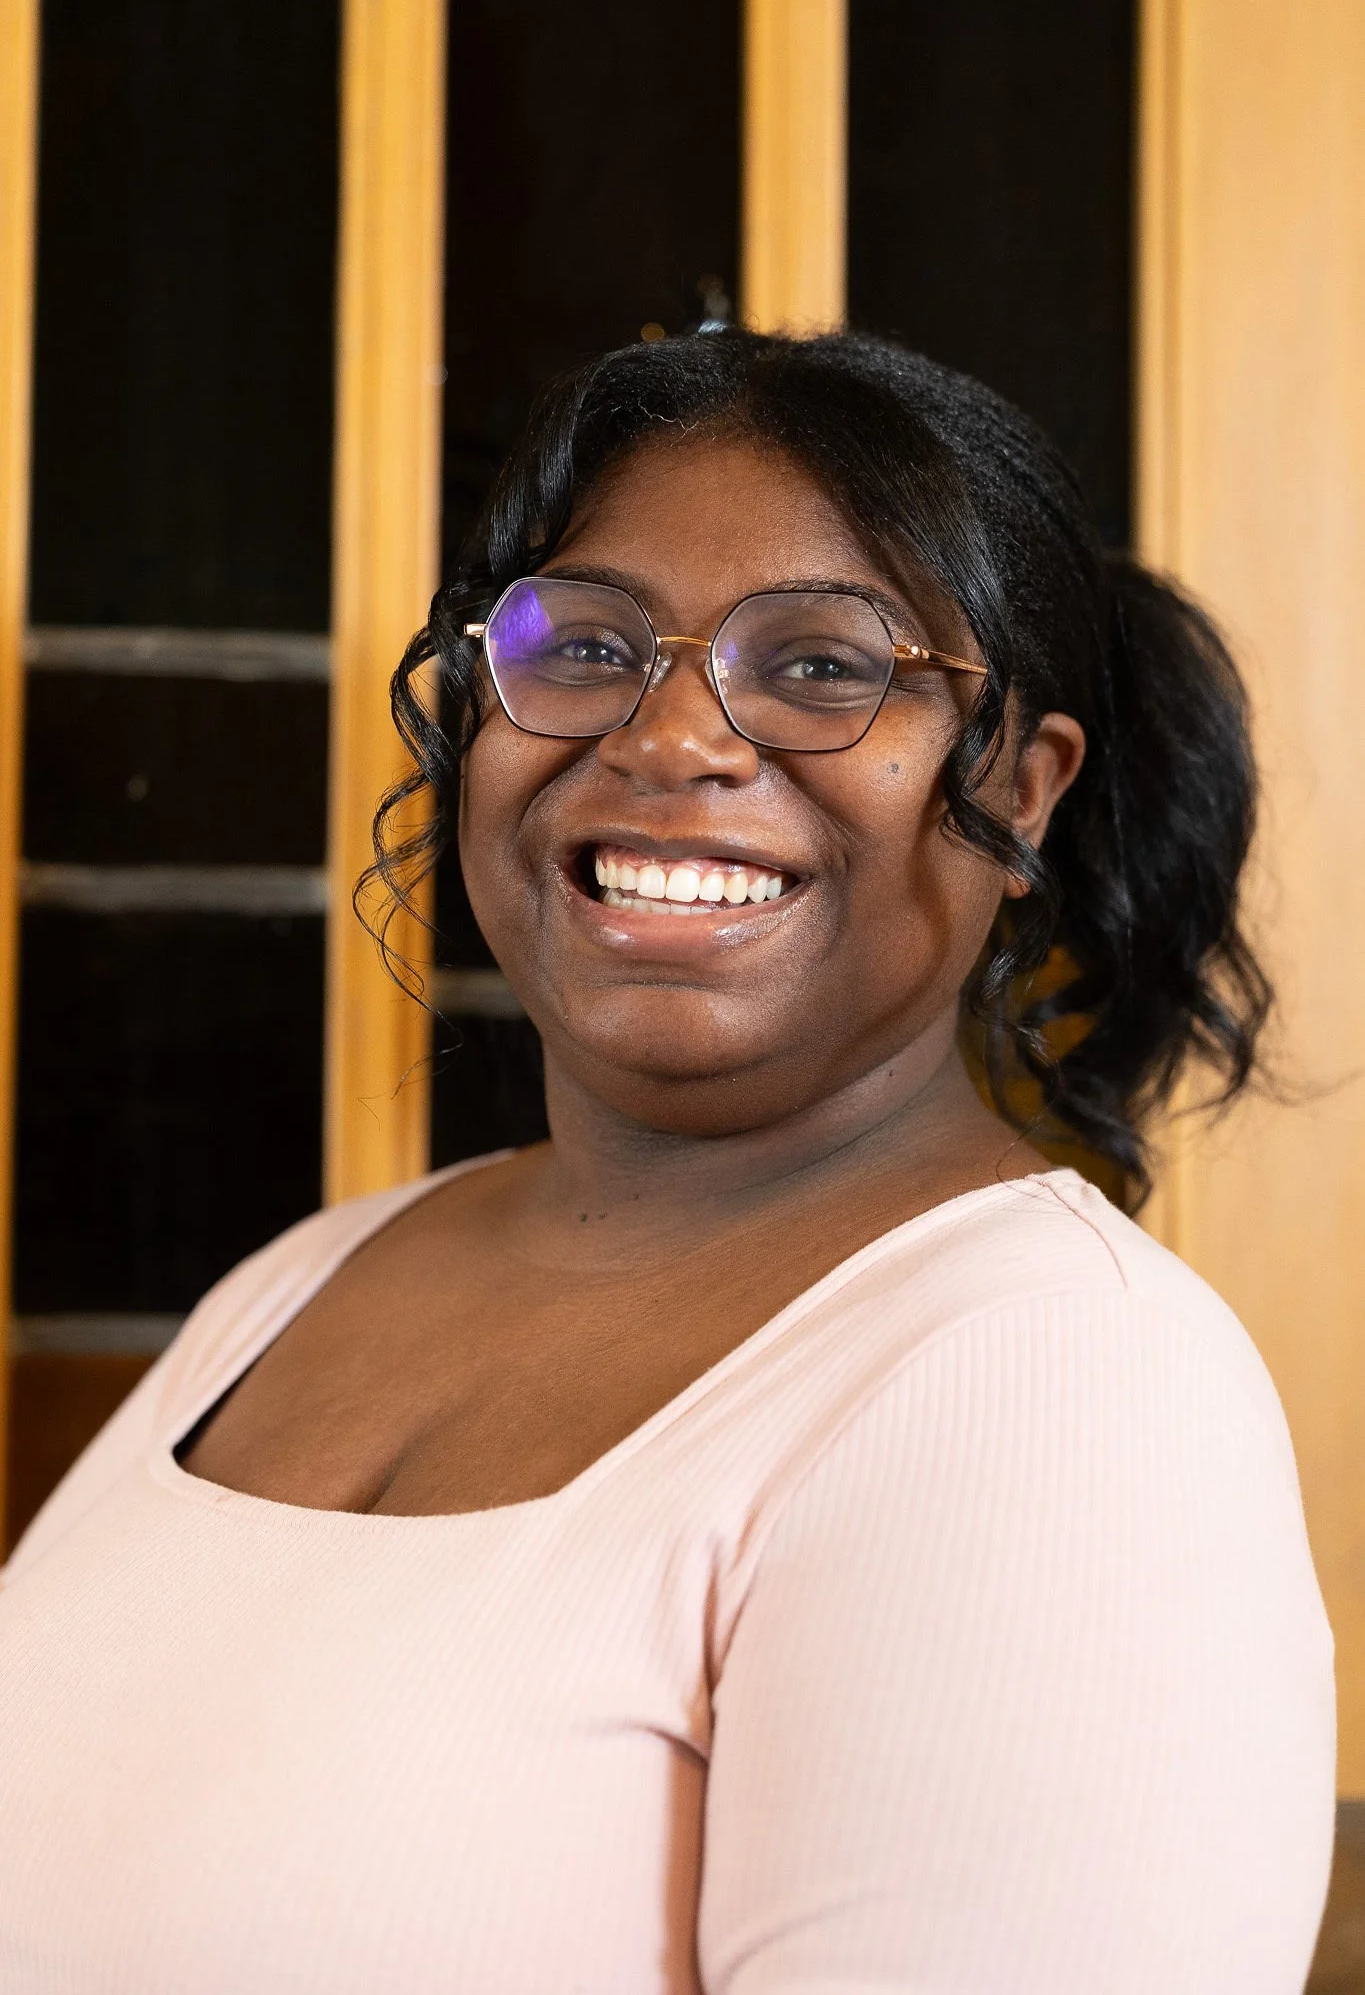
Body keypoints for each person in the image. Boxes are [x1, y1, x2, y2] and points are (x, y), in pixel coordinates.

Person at [0, 331, 1334, 1992]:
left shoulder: (1060, 1381)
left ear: (1020, 789)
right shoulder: (300, 1278)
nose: (674, 740)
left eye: (828, 667)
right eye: (590, 645)